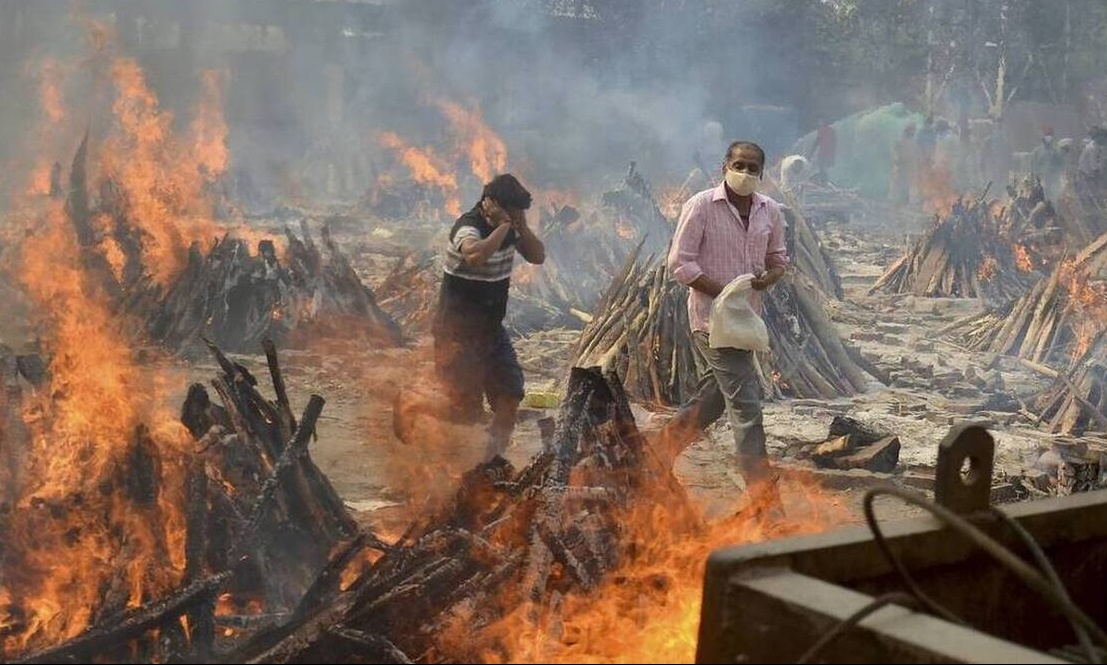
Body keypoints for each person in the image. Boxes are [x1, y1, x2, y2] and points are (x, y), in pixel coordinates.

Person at [663, 140, 789, 522]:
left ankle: (654, 454)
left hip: (745, 323)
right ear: (725, 166)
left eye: (753, 168)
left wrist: (771, 276)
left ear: (762, 173)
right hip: (710, 321)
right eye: (740, 165)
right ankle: (766, 504)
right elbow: (680, 264)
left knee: (714, 399)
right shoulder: (701, 206)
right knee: (746, 407)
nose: (746, 173)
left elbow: (779, 258)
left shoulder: (771, 211)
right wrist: (722, 295)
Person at [433, 173, 545, 463]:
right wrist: (506, 225)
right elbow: (474, 255)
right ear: (491, 205)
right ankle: (411, 405)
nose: (519, 216)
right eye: (515, 210)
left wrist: (519, 225)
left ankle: (490, 464)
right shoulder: (469, 227)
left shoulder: (511, 227)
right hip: (456, 334)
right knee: (464, 413)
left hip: (491, 332)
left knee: (510, 397)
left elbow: (537, 256)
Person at [889, 124, 917, 204]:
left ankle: (904, 200)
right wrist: (897, 160)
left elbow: (914, 154)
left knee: (906, 184)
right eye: (910, 130)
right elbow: (895, 152)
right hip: (901, 166)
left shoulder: (913, 142)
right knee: (898, 182)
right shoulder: (900, 140)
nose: (912, 132)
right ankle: (895, 200)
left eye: (913, 131)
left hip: (908, 167)